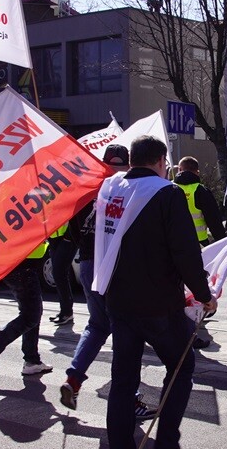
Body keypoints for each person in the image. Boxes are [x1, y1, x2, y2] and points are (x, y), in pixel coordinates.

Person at [95, 136, 217, 449]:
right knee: (182, 367)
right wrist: (203, 293)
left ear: (133, 159)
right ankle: (165, 447)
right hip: (157, 303)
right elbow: (184, 251)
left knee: (123, 379)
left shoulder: (111, 188)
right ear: (161, 160)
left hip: (118, 299)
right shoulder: (167, 193)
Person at [57, 145, 157, 420]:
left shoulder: (88, 189)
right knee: (128, 334)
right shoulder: (126, 189)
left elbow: (75, 229)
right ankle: (131, 400)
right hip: (116, 269)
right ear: (127, 164)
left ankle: (74, 379)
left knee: (97, 326)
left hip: (88, 264)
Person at [0, 237, 55, 381]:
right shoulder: (31, 213)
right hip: (21, 265)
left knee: (33, 312)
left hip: (19, 263)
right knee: (30, 317)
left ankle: (32, 360)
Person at [173, 156, 225, 246]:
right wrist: (223, 243)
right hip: (198, 244)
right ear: (197, 172)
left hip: (173, 243)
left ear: (179, 169)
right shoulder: (202, 191)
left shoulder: (168, 189)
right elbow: (214, 221)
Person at [47, 223, 76, 325]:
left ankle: (67, 312)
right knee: (58, 274)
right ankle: (65, 311)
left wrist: (69, 236)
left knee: (59, 272)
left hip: (67, 237)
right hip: (54, 236)